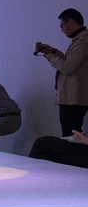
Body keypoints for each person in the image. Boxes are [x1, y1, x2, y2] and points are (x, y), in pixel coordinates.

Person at [37, 8, 88, 137]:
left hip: (74, 98)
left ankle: (74, 152)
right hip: (71, 97)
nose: (61, 30)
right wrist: (53, 51)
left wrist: (51, 58)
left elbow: (68, 68)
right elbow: (70, 61)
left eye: (62, 26)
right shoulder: (79, 40)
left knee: (71, 136)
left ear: (70, 23)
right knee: (72, 134)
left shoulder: (83, 41)